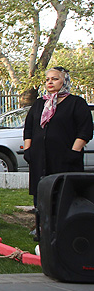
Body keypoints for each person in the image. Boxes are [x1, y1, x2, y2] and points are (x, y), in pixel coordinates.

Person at [23, 66, 93, 240]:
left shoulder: (76, 103)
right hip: (40, 158)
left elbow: (85, 130)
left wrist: (74, 152)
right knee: (41, 193)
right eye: (47, 79)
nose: (50, 82)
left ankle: (63, 228)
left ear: (64, 81)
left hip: (65, 159)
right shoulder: (40, 103)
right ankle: (41, 228)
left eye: (54, 79)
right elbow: (29, 128)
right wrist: (28, 149)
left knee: (62, 193)